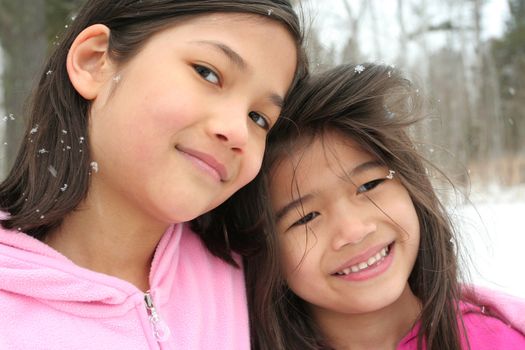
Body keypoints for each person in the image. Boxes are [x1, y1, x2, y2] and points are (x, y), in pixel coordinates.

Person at [0, 1, 307, 349]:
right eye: (207, 73)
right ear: (95, 61)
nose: (237, 132)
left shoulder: (256, 279)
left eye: (259, 118)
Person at [224, 63, 525, 349]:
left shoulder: (499, 341)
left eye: (369, 186)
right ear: (263, 247)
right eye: (306, 217)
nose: (353, 231)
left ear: (410, 184)